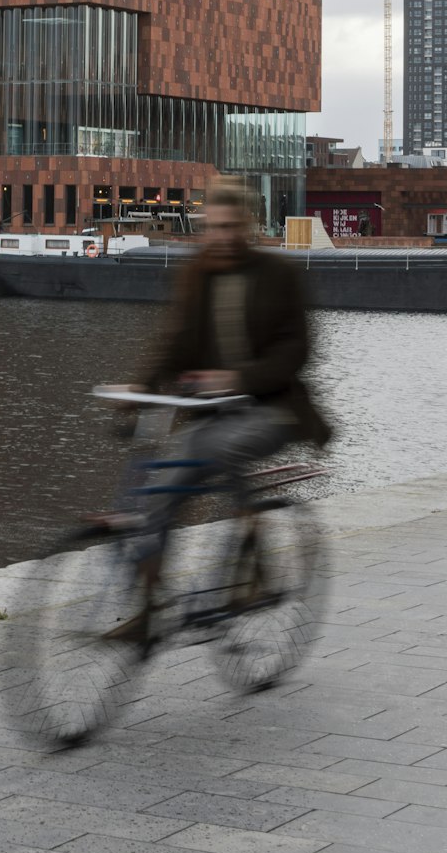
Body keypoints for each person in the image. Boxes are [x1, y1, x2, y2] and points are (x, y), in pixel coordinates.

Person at [130, 178, 331, 584]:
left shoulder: (279, 274)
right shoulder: (197, 276)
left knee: (221, 447)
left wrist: (236, 377)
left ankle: (254, 551)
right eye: (213, 228)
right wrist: (140, 387)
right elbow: (175, 341)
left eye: (229, 227)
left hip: (275, 409)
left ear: (247, 227)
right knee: (161, 494)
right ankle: (147, 614)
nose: (220, 237)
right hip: (214, 411)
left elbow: (296, 351)